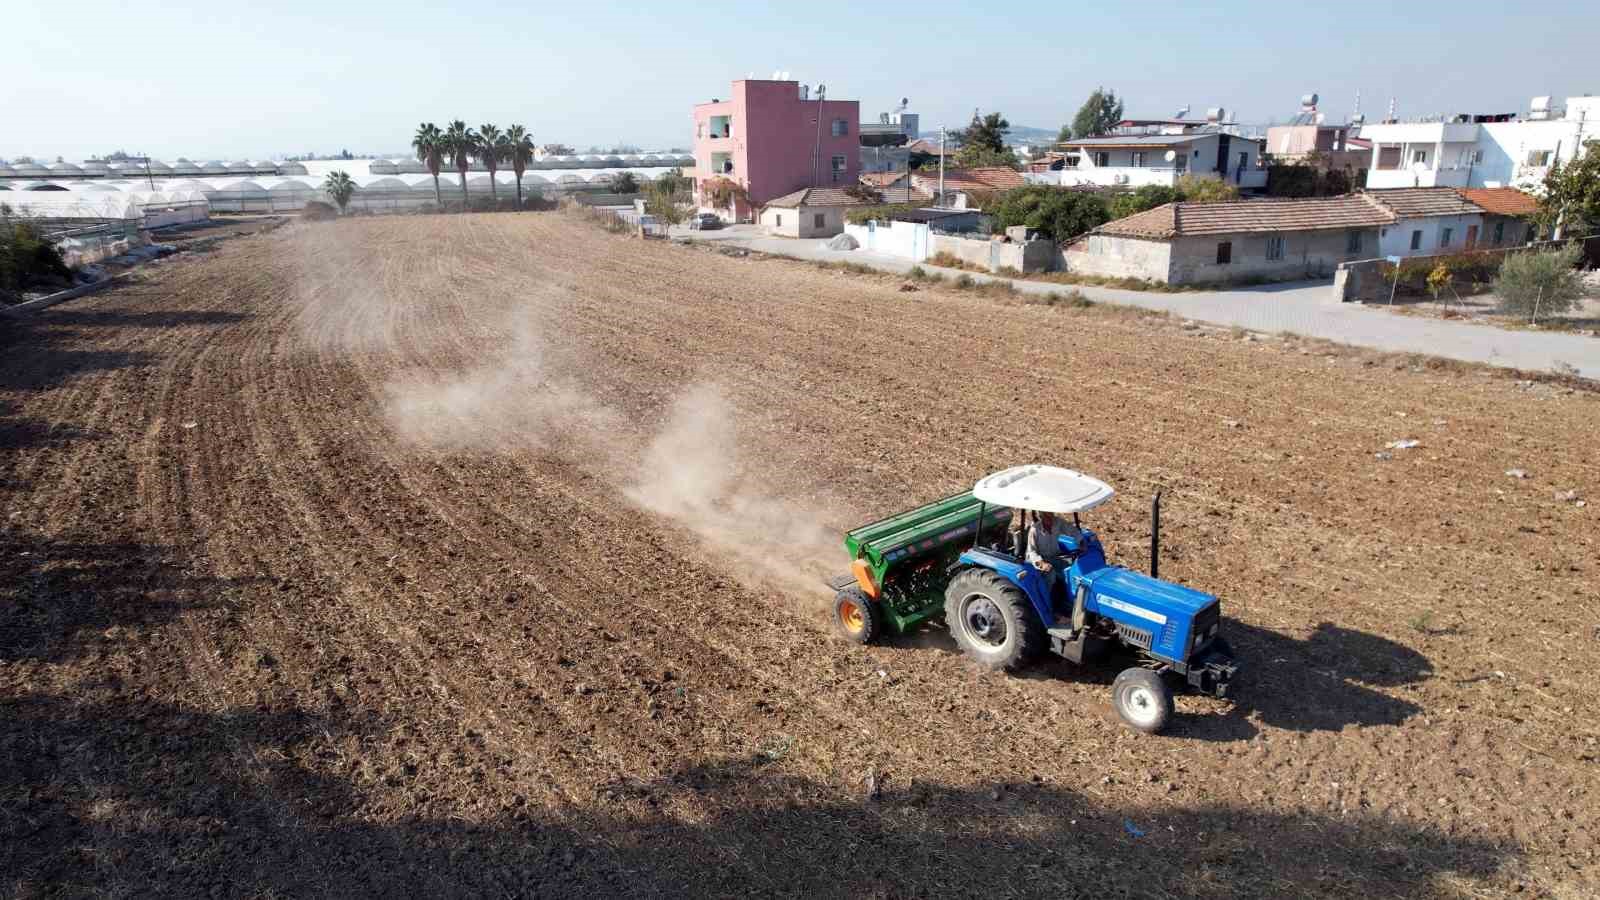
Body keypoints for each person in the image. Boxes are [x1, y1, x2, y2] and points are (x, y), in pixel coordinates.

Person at [1026, 510, 1074, 595]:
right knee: (1050, 574)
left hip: (1054, 557)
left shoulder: (1057, 523)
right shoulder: (1034, 530)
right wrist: (1041, 563)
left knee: (1072, 568)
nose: (1051, 519)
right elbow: (1031, 551)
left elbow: (1071, 529)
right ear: (1041, 517)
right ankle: (1048, 598)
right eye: (1048, 516)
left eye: (1051, 515)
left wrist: (1081, 541)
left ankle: (1069, 595)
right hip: (1039, 560)